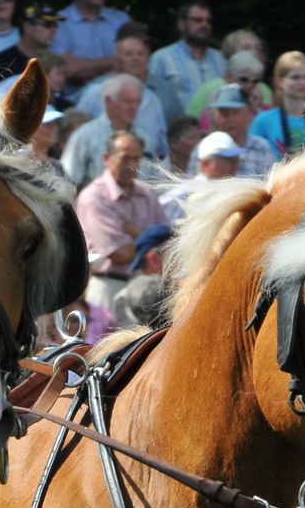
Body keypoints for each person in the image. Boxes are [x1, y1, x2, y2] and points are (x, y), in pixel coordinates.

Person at [73, 131, 163, 338]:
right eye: (125, 158)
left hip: (146, 289)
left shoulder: (146, 194)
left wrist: (134, 231)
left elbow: (167, 242)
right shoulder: (94, 197)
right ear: (107, 158)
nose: (131, 164)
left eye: (136, 158)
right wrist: (149, 237)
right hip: (109, 288)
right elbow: (120, 253)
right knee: (106, 358)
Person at [74, 28, 169, 158]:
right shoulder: (94, 93)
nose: (135, 58)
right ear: (116, 59)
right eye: (128, 54)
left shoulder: (153, 100)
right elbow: (75, 131)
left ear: (147, 59)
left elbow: (162, 149)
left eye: (140, 54)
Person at [53, 0, 130, 86]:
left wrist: (83, 66)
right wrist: (115, 61)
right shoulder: (60, 23)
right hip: (76, 102)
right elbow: (67, 70)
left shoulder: (121, 20)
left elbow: (133, 65)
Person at [61, 73, 144, 188]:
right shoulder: (84, 136)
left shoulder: (144, 137)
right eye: (128, 102)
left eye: (137, 102)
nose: (134, 108)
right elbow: (68, 183)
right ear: (108, 101)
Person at [147, 0, 224, 115]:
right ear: (181, 25)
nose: (204, 25)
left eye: (208, 21)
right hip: (178, 129)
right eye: (197, 20)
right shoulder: (162, 58)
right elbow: (150, 99)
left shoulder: (221, 59)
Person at [249, 51, 305, 159]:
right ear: (279, 81)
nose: (302, 82)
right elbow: (252, 159)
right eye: (295, 77)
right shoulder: (263, 121)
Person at [161, 131, 240, 224]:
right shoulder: (181, 196)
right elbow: (166, 232)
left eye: (236, 161)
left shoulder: (236, 193)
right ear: (206, 163)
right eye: (228, 161)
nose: (235, 167)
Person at [0, 2, 62, 82]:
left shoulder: (55, 60)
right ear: (27, 27)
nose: (53, 30)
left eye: (55, 25)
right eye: (47, 25)